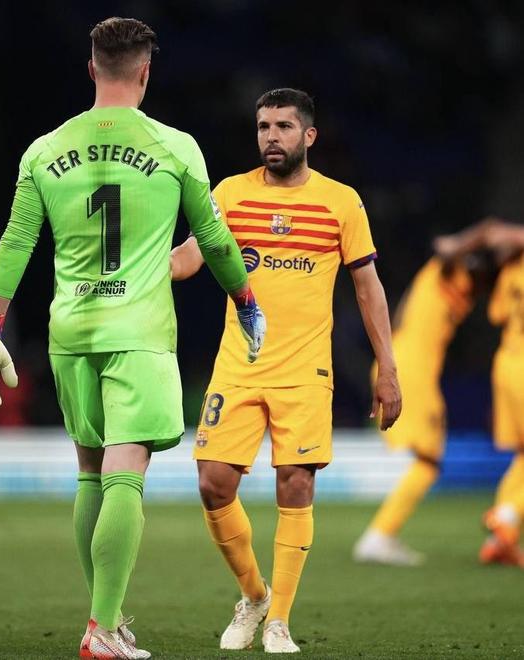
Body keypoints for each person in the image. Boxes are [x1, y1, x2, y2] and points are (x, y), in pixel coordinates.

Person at [0, 17, 265, 660]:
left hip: (70, 330)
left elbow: (16, 243)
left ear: (92, 69)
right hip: (138, 332)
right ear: (146, 73)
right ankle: (102, 631)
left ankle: (104, 617)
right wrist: (245, 299)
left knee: (89, 474)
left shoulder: (44, 150)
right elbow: (214, 240)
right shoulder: (176, 147)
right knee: (125, 476)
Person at [170, 88, 401, 654]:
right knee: (212, 483)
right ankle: (253, 595)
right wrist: (136, 264)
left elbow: (367, 288)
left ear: (309, 136)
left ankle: (279, 620)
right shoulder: (231, 193)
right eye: (263, 127)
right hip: (239, 366)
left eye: (283, 126)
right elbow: (189, 258)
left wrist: (388, 369)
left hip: (304, 371)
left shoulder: (341, 202)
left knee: (296, 484)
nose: (271, 136)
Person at [353, 239, 497, 566]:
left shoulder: (461, 291)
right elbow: (446, 250)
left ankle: (381, 535)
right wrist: (482, 231)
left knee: (429, 461)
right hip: (409, 370)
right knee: (429, 461)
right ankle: (378, 537)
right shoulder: (445, 271)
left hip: (415, 370)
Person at [434, 220, 524, 566]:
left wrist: (457, 243)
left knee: (521, 455)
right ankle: (506, 517)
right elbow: (492, 230)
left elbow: (497, 313)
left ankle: (499, 540)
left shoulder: (511, 271)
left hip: (507, 361)